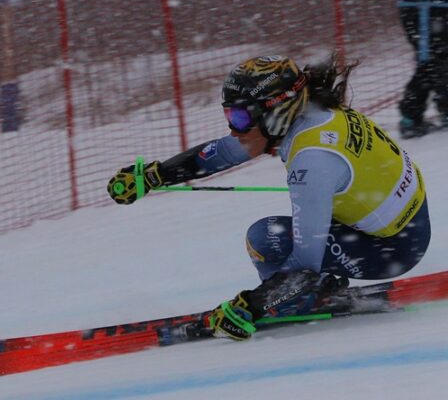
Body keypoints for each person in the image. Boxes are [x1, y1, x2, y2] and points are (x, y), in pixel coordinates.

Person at [107, 55, 431, 341]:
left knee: (266, 239)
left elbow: (305, 263)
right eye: (229, 116)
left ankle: (301, 302)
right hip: (405, 222)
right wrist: (155, 175)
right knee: (279, 235)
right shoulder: (314, 109)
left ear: (276, 111)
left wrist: (250, 306)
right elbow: (222, 153)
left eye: (240, 119)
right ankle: (312, 291)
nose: (234, 129)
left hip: (393, 248)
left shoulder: (312, 160)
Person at [398, 0, 448, 138]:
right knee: (435, 66)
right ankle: (414, 116)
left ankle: (411, 116)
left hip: (427, 24)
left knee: (428, 67)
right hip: (430, 23)